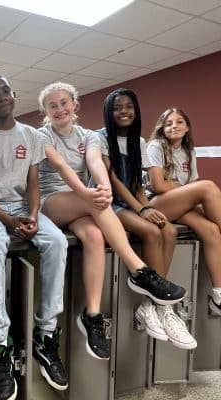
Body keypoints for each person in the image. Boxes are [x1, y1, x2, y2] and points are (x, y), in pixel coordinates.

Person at [37, 82, 187, 360]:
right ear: (45, 111)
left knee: (95, 236)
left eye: (64, 102)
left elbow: (96, 163)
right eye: (52, 105)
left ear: (74, 105)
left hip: (84, 204)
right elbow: (60, 165)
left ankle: (92, 314)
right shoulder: (40, 135)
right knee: (95, 202)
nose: (59, 109)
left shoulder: (89, 136)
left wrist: (103, 188)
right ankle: (139, 270)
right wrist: (91, 194)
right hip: (53, 201)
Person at [0, 74, 69, 400]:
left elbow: (34, 183)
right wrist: (7, 220)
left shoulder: (32, 135)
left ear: (13, 95)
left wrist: (34, 216)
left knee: (58, 242)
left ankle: (46, 334)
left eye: (5, 91)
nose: (2, 97)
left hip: (25, 207)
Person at [99, 89, 196, 350]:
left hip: (131, 201)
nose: (124, 111)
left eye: (129, 106)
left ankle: (156, 306)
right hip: (109, 204)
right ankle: (161, 303)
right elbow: (114, 181)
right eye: (117, 107)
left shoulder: (138, 141)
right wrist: (142, 211)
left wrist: (147, 207)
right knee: (152, 232)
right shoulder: (100, 137)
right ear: (108, 111)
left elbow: (137, 186)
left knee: (168, 230)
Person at [147, 107, 221, 318]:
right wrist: (189, 192)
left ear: (187, 127)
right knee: (208, 187)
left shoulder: (189, 151)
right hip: (157, 204)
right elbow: (158, 185)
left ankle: (218, 295)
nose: (174, 126)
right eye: (169, 123)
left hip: (180, 205)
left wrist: (190, 194)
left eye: (179, 122)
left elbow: (192, 185)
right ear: (162, 128)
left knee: (211, 230)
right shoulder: (155, 146)